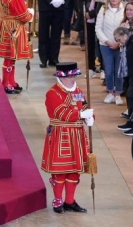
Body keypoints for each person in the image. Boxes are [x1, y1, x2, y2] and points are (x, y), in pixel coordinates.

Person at [41, 62, 92, 214]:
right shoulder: (53, 93)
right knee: (60, 171)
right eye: (70, 76)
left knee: (74, 170)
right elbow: (61, 113)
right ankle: (57, 200)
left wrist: (89, 117)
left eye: (74, 76)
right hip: (60, 135)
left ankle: (69, 201)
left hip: (77, 136)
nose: (73, 79)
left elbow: (83, 106)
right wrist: (81, 114)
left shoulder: (78, 91)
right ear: (61, 77)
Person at [0, 0, 34, 94]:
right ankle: (6, 83)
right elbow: (24, 17)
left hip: (6, 27)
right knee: (10, 57)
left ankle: (11, 81)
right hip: (14, 29)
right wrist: (30, 13)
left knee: (11, 57)